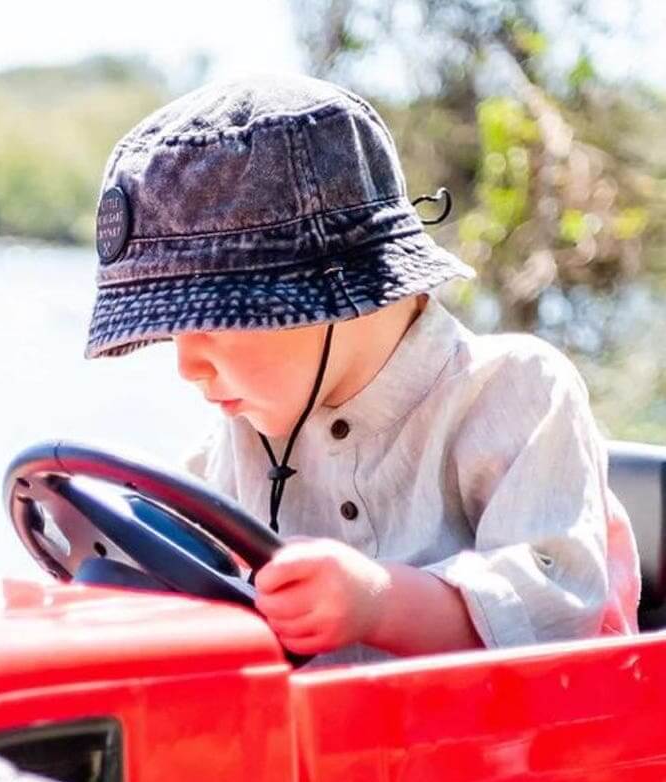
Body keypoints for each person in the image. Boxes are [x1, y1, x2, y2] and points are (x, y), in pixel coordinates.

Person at [83, 71, 641, 667]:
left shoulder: (514, 391)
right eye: (172, 331)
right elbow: (172, 554)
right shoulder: (241, 436)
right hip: (315, 724)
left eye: (212, 324)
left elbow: (557, 605)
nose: (188, 366)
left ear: (332, 294)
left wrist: (379, 603)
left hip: (535, 724)